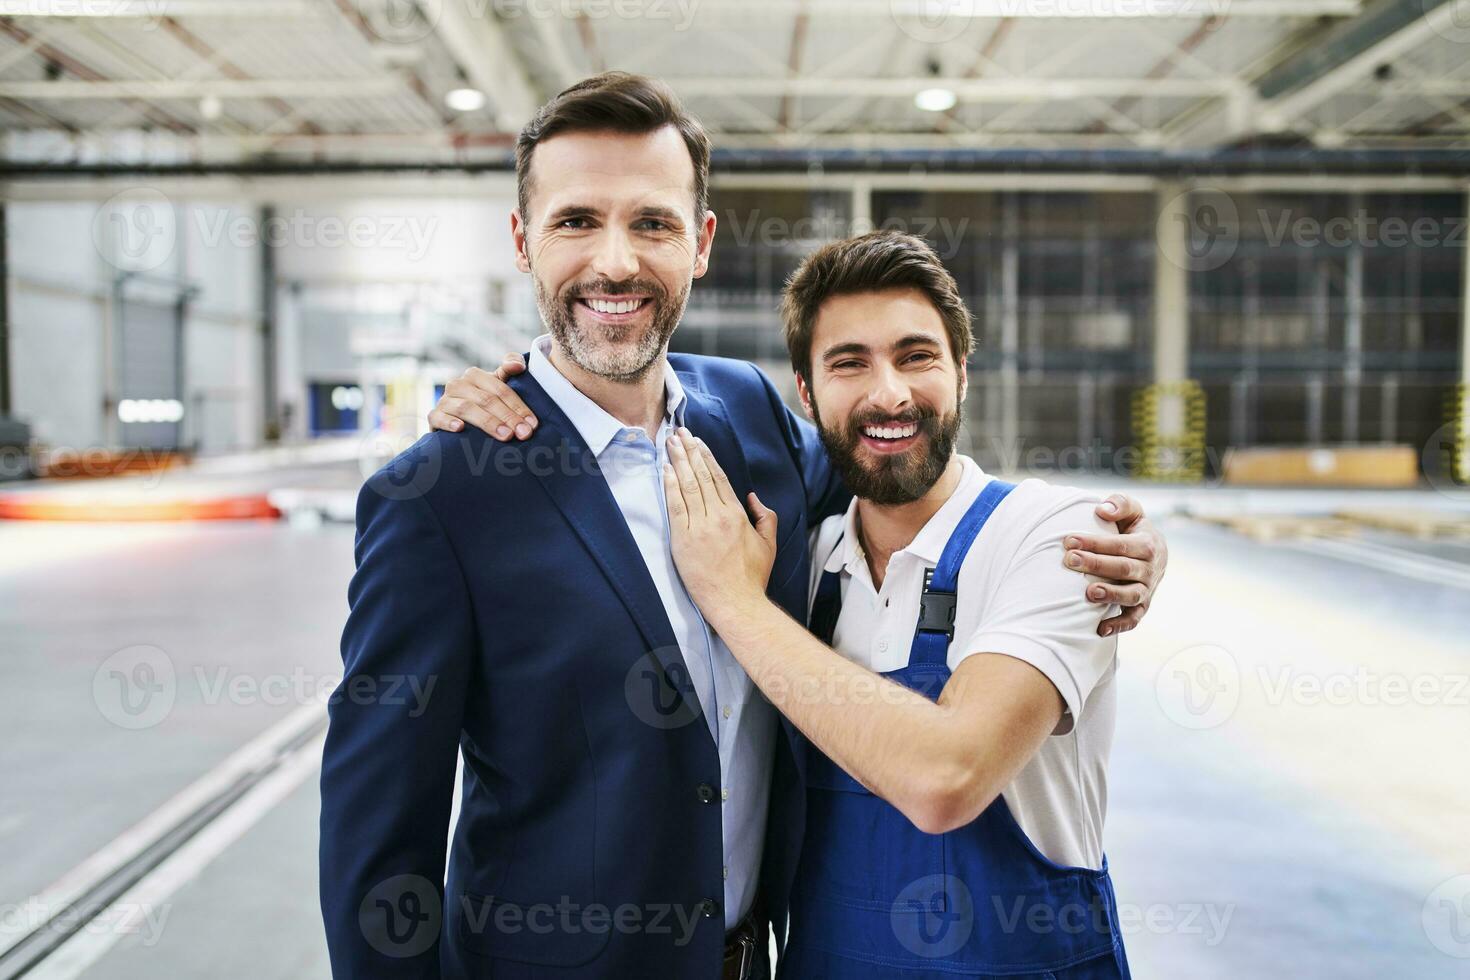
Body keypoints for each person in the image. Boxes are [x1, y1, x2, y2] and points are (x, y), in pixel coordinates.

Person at [324, 72, 1165, 980]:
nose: (615, 262)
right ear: (524, 243)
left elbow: (890, 471)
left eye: (652, 222)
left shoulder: (750, 412)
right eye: (576, 222)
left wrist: (1131, 546)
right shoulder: (445, 494)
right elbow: (380, 832)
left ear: (701, 244)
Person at [661, 230, 1134, 976]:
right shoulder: (806, 563)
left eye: (917, 357)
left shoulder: (1056, 539)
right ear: (807, 393)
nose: (889, 393)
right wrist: (530, 384)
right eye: (850, 363)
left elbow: (947, 778)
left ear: (962, 373)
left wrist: (734, 601)